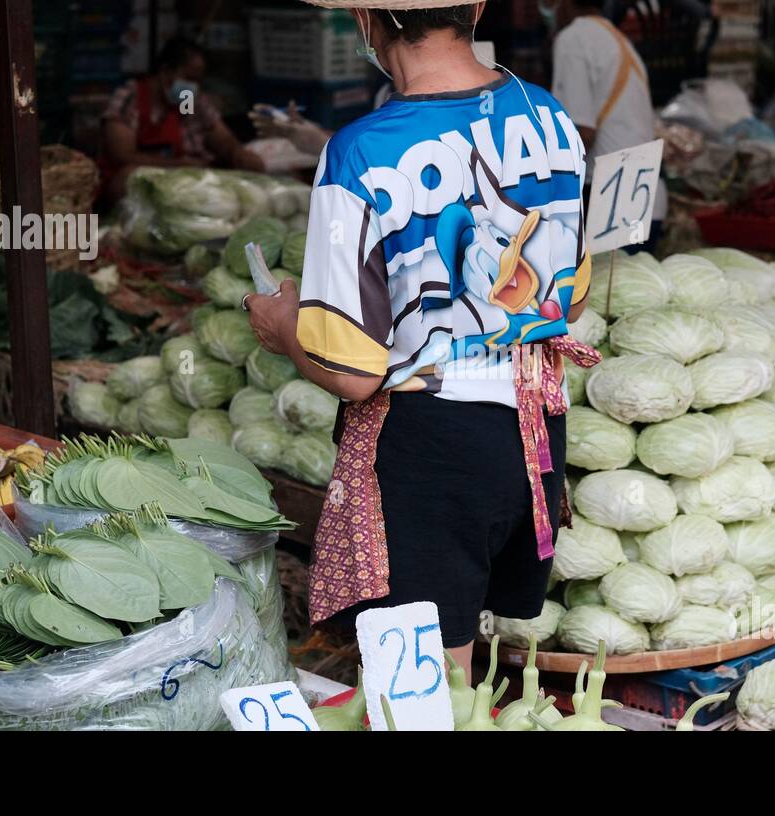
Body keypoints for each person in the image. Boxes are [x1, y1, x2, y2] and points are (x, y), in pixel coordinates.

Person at [245, 0, 596, 671]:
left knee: (425, 684)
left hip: (430, 449)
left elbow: (351, 367)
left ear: (364, 19)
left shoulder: (362, 149)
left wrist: (283, 325)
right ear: (477, 8)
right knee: (462, 670)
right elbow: (569, 298)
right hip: (533, 435)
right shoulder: (548, 116)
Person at [540, 0, 667, 247]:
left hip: (612, 204)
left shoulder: (573, 38)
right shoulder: (615, 38)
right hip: (644, 197)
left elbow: (581, 133)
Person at [100, 37, 265, 204]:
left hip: (188, 182)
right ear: (165, 71)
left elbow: (220, 137)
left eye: (198, 81)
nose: (193, 87)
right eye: (188, 78)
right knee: (129, 175)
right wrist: (177, 164)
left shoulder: (187, 100)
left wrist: (237, 152)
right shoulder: (131, 97)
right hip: (150, 182)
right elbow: (121, 155)